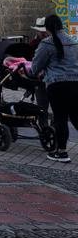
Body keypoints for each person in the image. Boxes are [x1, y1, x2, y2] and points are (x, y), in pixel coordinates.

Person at [29, 13, 78, 162]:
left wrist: (35, 72)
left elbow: (35, 68)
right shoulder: (74, 42)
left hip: (57, 86)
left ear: (48, 28)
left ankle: (62, 152)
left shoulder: (47, 44)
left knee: (60, 118)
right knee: (76, 117)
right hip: (76, 84)